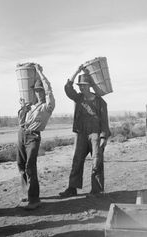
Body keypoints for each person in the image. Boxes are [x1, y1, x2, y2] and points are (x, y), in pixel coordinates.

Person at [59, 65, 110, 198]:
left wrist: (104, 137)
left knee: (96, 161)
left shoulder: (100, 102)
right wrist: (76, 71)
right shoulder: (78, 98)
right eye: (80, 85)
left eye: (84, 85)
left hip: (96, 135)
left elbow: (104, 121)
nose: (82, 88)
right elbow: (67, 88)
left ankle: (97, 190)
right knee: (77, 160)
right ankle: (72, 188)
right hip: (81, 134)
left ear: (90, 86)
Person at [16, 64, 55, 210]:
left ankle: (34, 199)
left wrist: (39, 72)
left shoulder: (48, 106)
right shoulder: (31, 106)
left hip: (33, 137)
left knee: (30, 167)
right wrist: (23, 109)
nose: (39, 93)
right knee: (21, 164)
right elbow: (20, 122)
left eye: (41, 91)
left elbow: (49, 88)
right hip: (22, 134)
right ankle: (27, 193)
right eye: (37, 90)